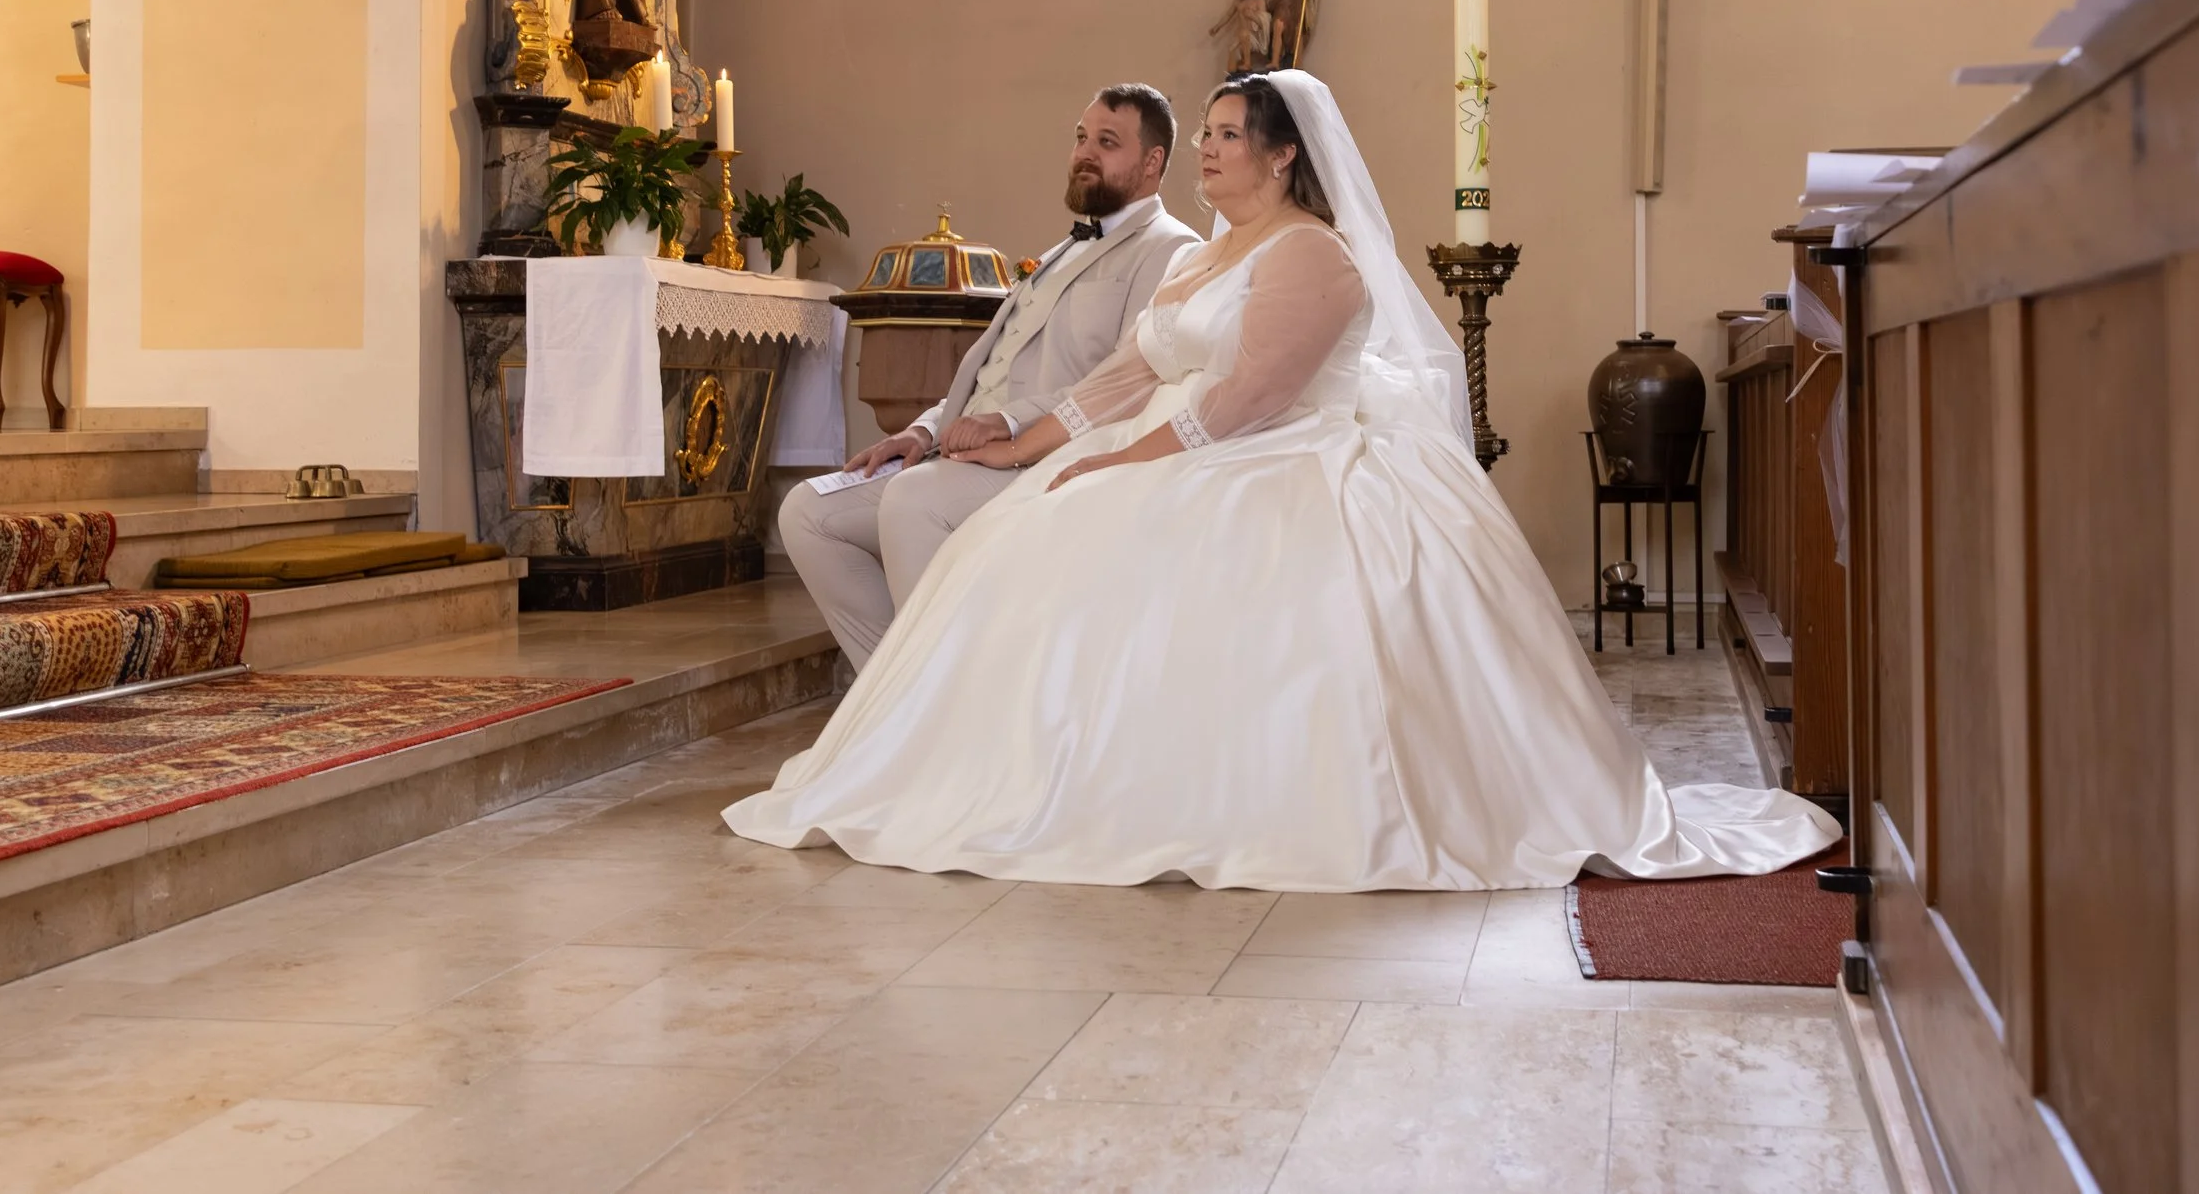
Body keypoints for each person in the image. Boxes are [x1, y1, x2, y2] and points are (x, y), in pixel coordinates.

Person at [727, 72, 1840, 891]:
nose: (1207, 153)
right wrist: (1022, 444)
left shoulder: (1311, 251)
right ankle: (976, 763)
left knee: (1101, 539)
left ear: (1281, 157)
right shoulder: (1203, 255)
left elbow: (1250, 395)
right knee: (1023, 527)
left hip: (1282, 455)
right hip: (1184, 440)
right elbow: (1125, 375)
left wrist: (1122, 463)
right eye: (1206, 135)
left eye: (1225, 137)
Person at [778, 84, 1197, 669]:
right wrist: (924, 431)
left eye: (1107, 142)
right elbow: (992, 368)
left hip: (1048, 458)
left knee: (913, 500)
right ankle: (891, 691)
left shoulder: (1172, 249)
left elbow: (1125, 382)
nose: (1085, 152)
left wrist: (1007, 423)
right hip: (960, 454)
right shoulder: (1061, 249)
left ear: (1153, 162)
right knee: (807, 512)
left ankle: (940, 696)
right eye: (1081, 137)